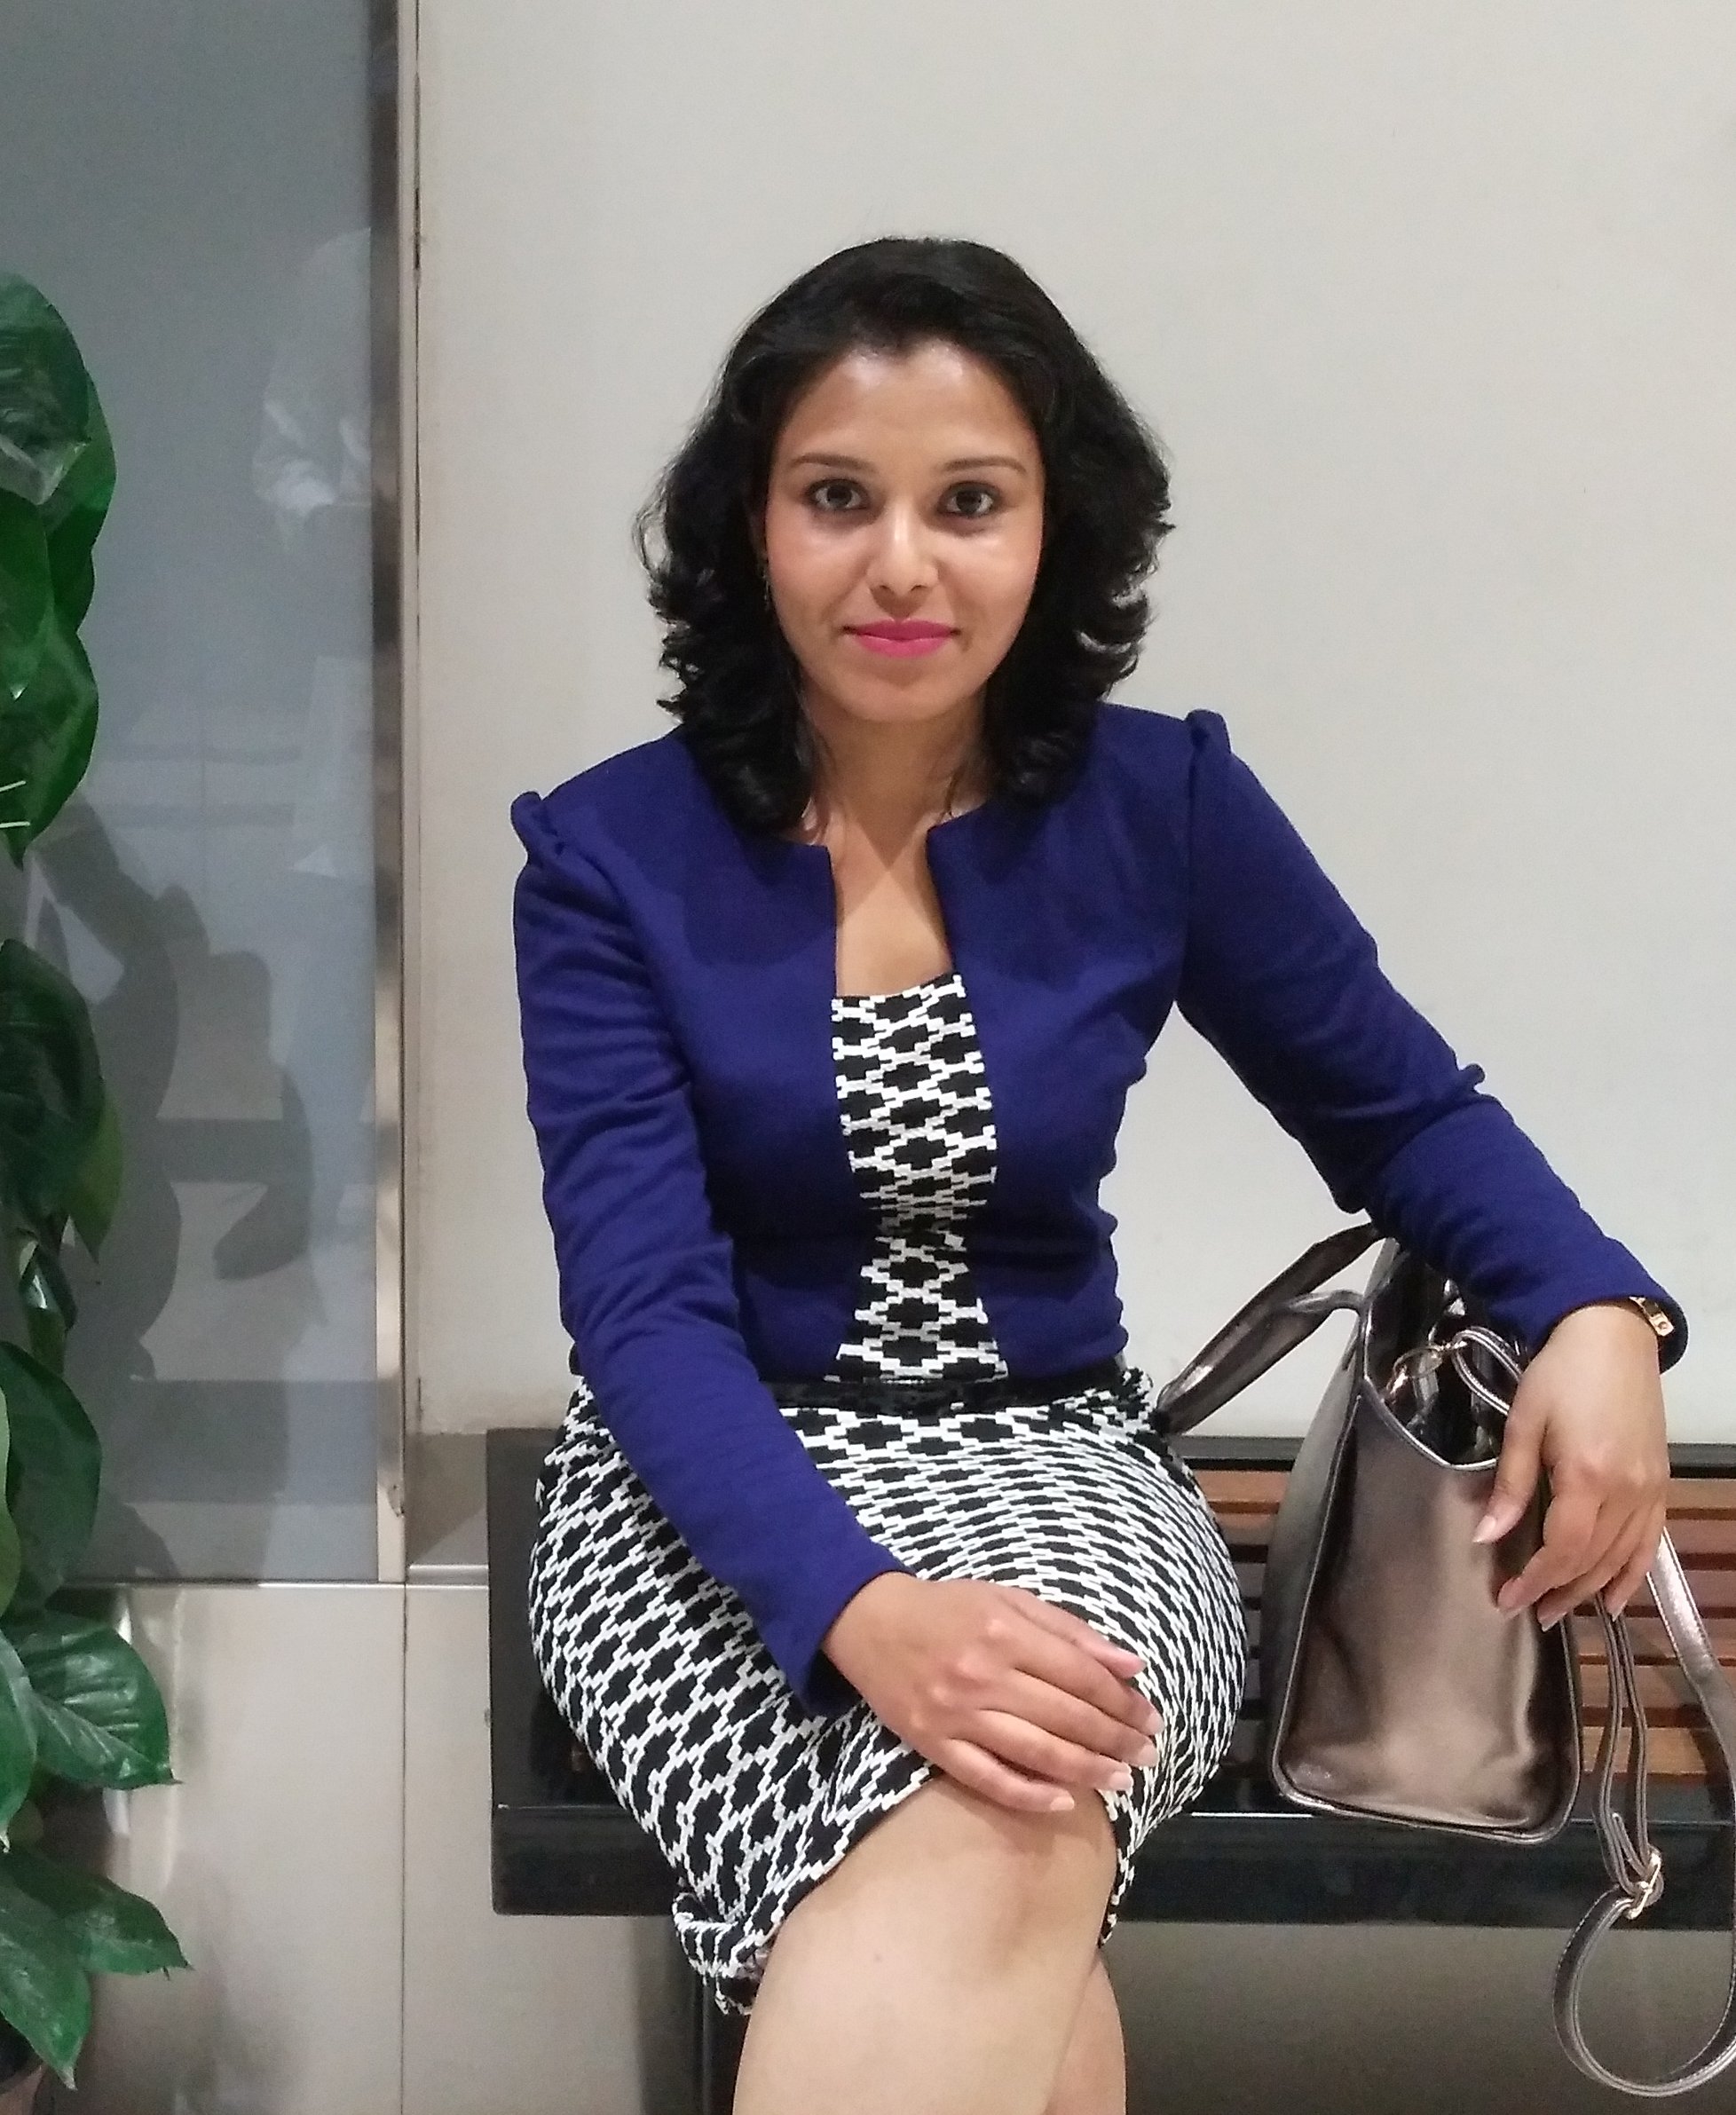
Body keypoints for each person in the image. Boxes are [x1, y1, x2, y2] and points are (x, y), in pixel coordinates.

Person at [509, 237, 1685, 2115]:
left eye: (970, 502)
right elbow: (645, 1318)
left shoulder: (1163, 807)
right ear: (752, 527)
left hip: (1054, 1461)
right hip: (704, 1490)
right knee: (996, 1850)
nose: (904, 563)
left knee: (1021, 1779)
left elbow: (1403, 1115)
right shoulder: (605, 860)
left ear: (1057, 528)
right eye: (838, 498)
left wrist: (1599, 1309)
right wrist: (861, 1610)